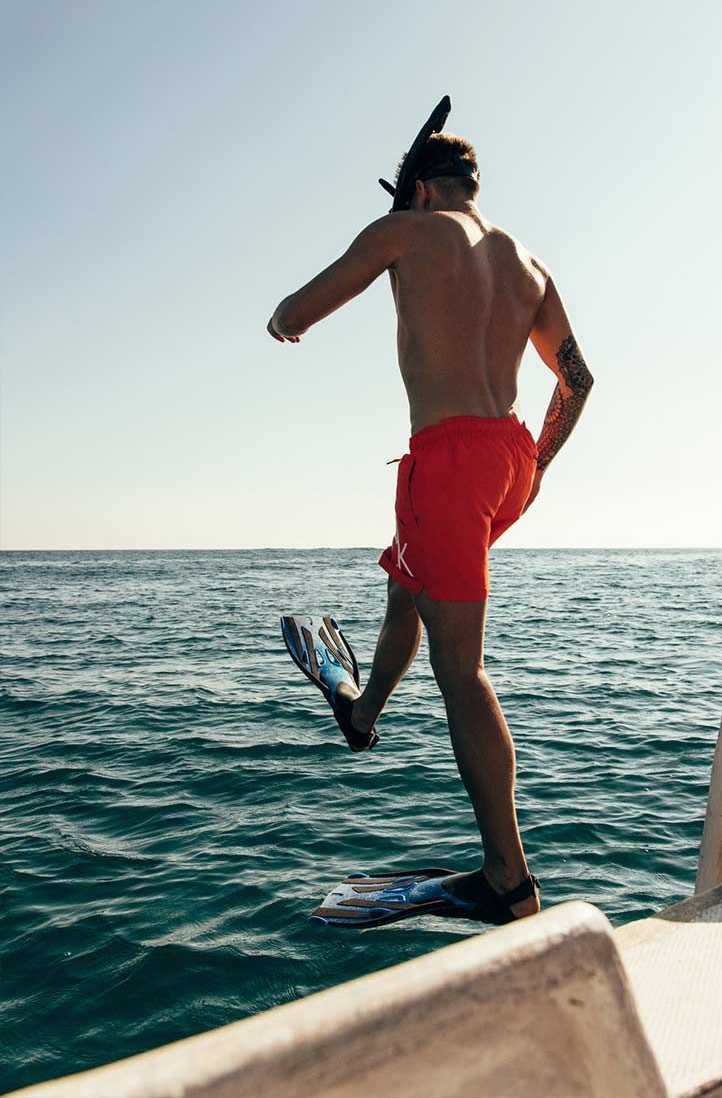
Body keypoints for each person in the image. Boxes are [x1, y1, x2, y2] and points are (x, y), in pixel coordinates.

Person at [269, 108, 593, 924]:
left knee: (461, 669)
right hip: (509, 459)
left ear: (417, 189)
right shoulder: (528, 263)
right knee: (405, 583)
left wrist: (282, 319)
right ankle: (361, 714)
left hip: (447, 462)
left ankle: (506, 880)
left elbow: (295, 313)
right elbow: (577, 379)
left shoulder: (403, 232)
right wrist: (537, 466)